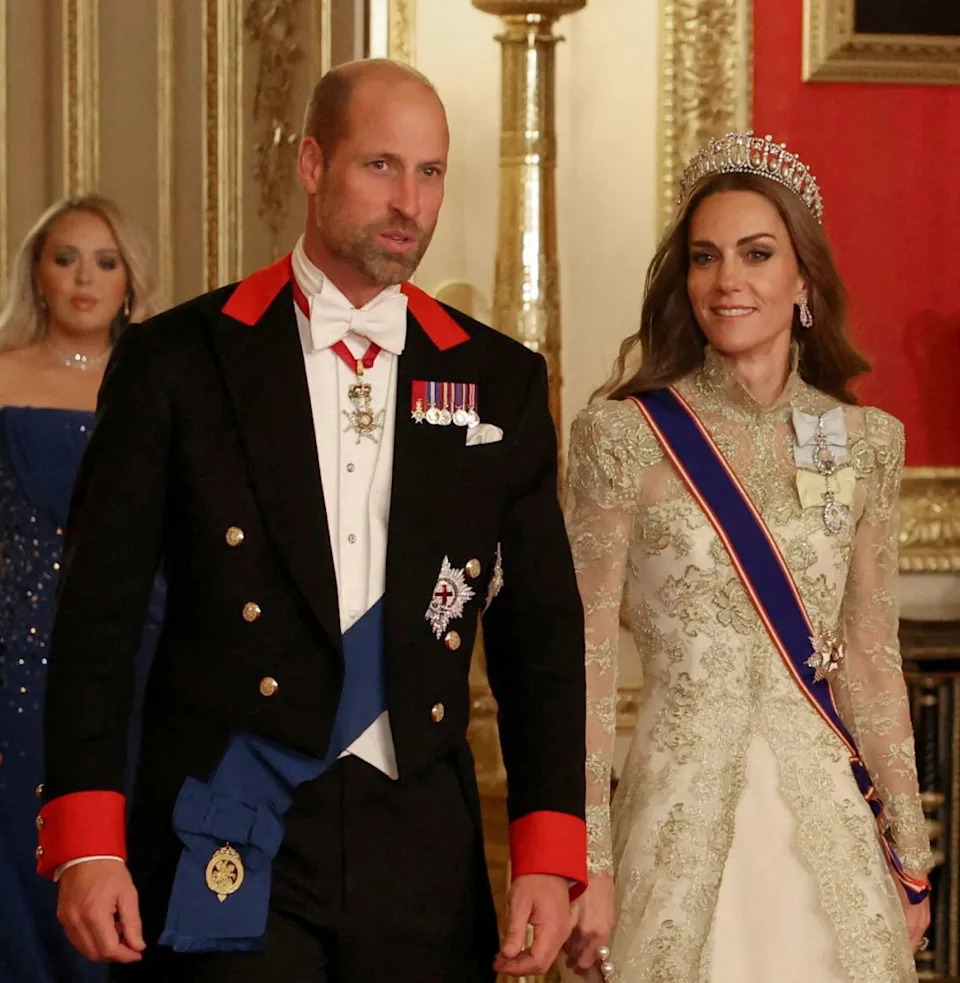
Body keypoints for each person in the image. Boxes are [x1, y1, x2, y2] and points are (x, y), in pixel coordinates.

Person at [38, 59, 587, 983]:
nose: (409, 201)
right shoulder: (179, 362)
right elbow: (98, 617)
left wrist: (547, 848)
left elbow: (540, 634)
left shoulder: (499, 381)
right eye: (381, 166)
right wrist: (89, 839)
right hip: (231, 815)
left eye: (430, 171)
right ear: (310, 165)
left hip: (418, 840)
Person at [562, 132, 932, 982]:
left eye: (757, 253)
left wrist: (909, 855)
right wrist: (587, 858)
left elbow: (871, 660)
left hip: (830, 829)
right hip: (677, 817)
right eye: (706, 256)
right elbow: (581, 658)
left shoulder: (859, 442)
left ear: (804, 279)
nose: (728, 279)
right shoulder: (624, 437)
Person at [0, 194, 160, 982]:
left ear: (130, 279)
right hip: (19, 656)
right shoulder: (2, 374)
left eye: (105, 261)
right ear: (37, 273)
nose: (84, 279)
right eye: (65, 259)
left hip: (147, 649)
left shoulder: (162, 378)